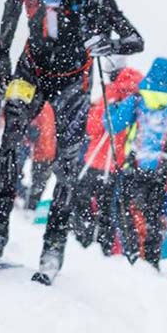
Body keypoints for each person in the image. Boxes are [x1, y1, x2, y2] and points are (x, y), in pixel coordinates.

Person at [0, 0, 144, 285]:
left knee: (66, 168)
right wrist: (1, 57)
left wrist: (110, 45)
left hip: (73, 81)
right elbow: (8, 23)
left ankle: (52, 249)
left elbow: (135, 39)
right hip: (31, 73)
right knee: (8, 150)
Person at [108, 57, 167, 267]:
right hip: (163, 171)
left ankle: (130, 254)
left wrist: (112, 108)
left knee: (126, 210)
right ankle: (150, 260)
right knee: (155, 217)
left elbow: (114, 125)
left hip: (134, 166)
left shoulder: (137, 99)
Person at [72, 67, 142, 255]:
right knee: (106, 211)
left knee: (87, 206)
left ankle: (82, 240)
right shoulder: (134, 105)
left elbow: (91, 128)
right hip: (109, 165)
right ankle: (102, 248)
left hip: (95, 162)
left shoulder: (107, 97)